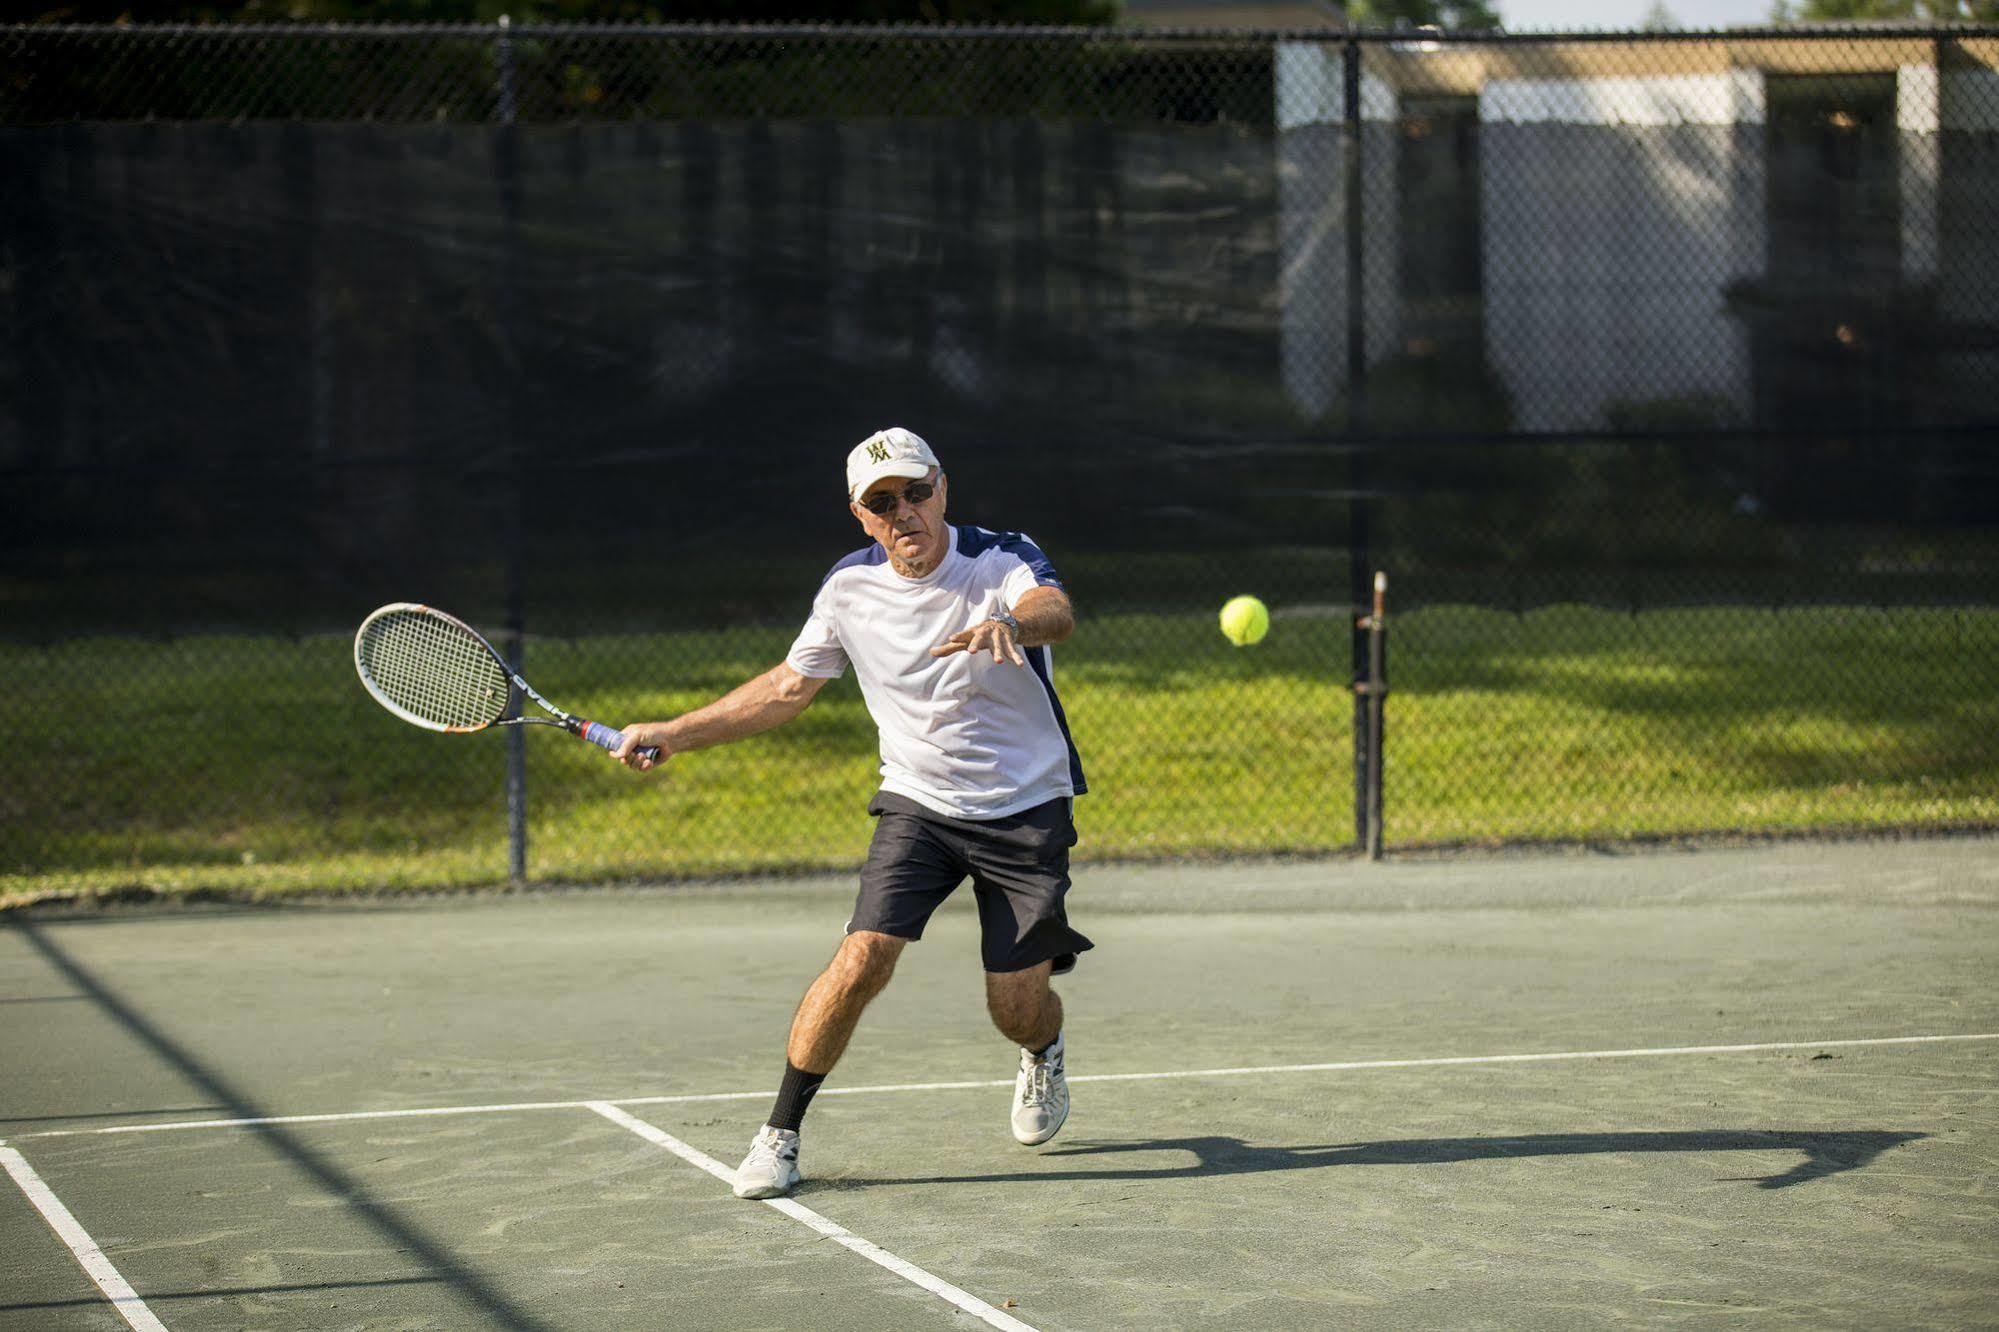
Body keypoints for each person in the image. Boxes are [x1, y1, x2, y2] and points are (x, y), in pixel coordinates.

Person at [610, 426, 1092, 1200]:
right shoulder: (847, 590)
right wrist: (673, 734)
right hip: (918, 806)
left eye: (915, 492)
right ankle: (780, 1134)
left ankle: (1043, 1050)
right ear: (860, 516)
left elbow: (1055, 609)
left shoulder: (999, 559)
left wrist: (1013, 624)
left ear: (943, 488)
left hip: (1023, 809)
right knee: (861, 957)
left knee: (1015, 1007)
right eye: (882, 502)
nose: (904, 512)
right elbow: (784, 689)